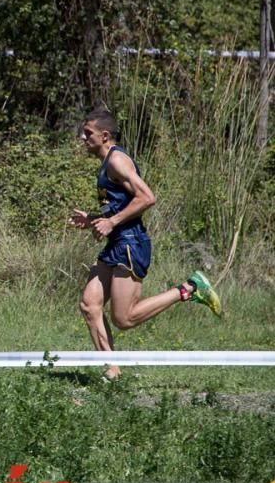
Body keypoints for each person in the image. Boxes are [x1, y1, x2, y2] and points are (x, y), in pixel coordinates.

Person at [69, 109, 222, 380]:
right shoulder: (107, 162)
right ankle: (113, 371)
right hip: (117, 242)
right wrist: (94, 218)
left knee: (124, 319)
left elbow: (147, 197)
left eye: (88, 133)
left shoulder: (117, 161)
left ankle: (190, 288)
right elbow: (123, 203)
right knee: (90, 305)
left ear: (105, 136)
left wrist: (112, 222)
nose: (83, 137)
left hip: (130, 244)